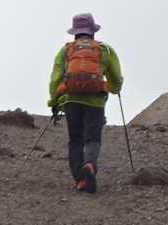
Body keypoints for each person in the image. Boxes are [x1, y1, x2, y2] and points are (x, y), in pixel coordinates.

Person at [48, 13, 124, 194]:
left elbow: (55, 79)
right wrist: (113, 88)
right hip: (95, 100)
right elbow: (116, 78)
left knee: (75, 139)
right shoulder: (105, 50)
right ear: (93, 32)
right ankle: (89, 165)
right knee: (92, 138)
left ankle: (80, 178)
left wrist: (54, 101)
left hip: (71, 100)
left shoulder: (66, 50)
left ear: (75, 33)